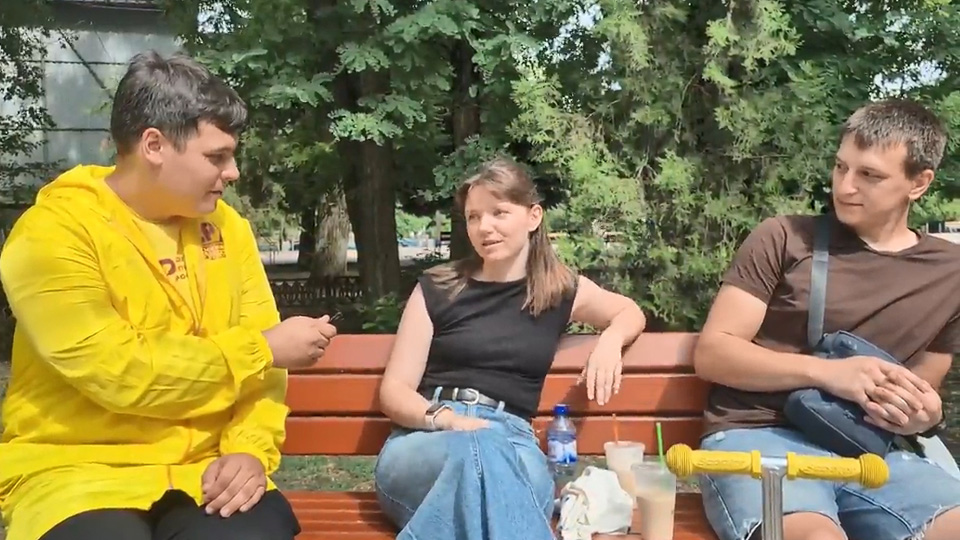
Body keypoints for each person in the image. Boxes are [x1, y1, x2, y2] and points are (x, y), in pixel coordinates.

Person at [0, 51, 337, 540]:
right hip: (76, 474)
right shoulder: (53, 233)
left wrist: (249, 450)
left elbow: (265, 379)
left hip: (208, 470)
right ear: (154, 145)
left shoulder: (230, 229)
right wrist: (260, 348)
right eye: (216, 157)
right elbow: (116, 371)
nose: (233, 172)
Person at [694, 98, 960, 540]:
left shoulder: (950, 273)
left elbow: (920, 388)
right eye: (841, 167)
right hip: (760, 437)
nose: (845, 186)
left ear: (919, 183)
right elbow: (714, 353)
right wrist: (830, 373)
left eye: (869, 175)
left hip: (871, 451)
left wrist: (922, 417)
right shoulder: (785, 237)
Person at [373, 157, 647, 540]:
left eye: (498, 212)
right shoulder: (439, 287)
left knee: (483, 473)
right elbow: (394, 390)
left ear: (533, 216)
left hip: (514, 442)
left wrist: (611, 341)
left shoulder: (557, 291)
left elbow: (629, 312)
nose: (484, 227)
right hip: (428, 438)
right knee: (480, 453)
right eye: (473, 217)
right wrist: (448, 420)